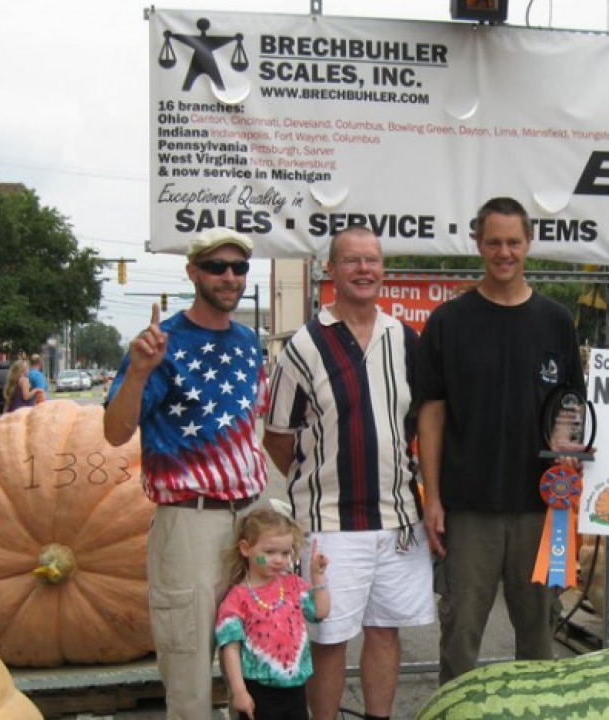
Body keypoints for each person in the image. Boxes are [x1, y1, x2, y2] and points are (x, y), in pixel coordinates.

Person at [263, 227, 434, 720]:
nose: (364, 269)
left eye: (372, 260)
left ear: (383, 270)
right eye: (352, 261)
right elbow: (277, 436)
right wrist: (314, 482)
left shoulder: (404, 339)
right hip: (330, 524)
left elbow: (425, 420)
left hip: (398, 518)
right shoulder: (303, 346)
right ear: (330, 270)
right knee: (330, 638)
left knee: (385, 631)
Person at [103, 227, 270, 720]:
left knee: (257, 661)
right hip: (189, 523)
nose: (229, 277)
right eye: (217, 267)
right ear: (193, 271)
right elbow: (115, 432)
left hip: (250, 521)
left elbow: (254, 425)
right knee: (190, 669)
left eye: (238, 268)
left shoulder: (247, 342)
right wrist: (137, 373)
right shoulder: (161, 345)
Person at [416, 197, 584, 684]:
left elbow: (571, 407)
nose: (504, 252)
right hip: (469, 510)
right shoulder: (449, 322)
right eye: (494, 242)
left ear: (528, 243)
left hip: (539, 509)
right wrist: (434, 498)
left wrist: (568, 471)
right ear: (478, 244)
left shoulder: (556, 321)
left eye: (514, 242)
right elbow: (431, 413)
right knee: (462, 636)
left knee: (537, 637)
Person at [217, 507, 331, 720]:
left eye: (285, 553)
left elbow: (321, 612)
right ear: (246, 548)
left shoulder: (294, 585)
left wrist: (318, 577)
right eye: (269, 553)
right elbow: (230, 648)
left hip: (296, 689)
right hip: (258, 691)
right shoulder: (237, 598)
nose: (279, 560)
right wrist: (239, 691)